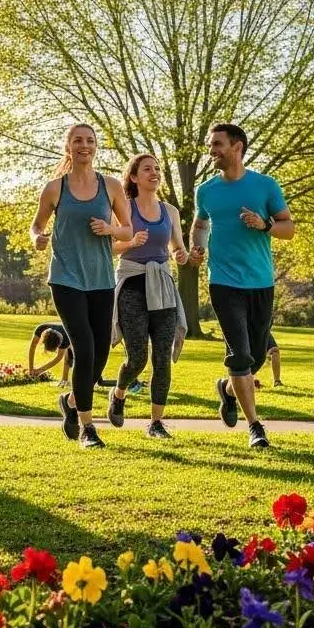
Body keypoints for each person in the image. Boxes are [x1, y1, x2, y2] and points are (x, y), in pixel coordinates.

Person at [188, 123, 295, 449]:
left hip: (260, 281)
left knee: (256, 356)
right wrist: (198, 246)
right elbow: (200, 224)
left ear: (237, 147)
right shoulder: (206, 190)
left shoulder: (265, 186)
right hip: (222, 281)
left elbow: (288, 228)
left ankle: (229, 389)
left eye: (217, 144)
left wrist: (264, 225)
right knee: (239, 354)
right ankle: (256, 427)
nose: (212, 151)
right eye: (210, 145)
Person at [31, 123, 132, 449]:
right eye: (78, 141)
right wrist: (38, 239)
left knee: (101, 352)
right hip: (66, 278)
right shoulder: (55, 188)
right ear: (68, 147)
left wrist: (109, 229)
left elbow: (128, 231)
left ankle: (72, 401)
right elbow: (37, 225)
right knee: (84, 348)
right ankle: (88, 428)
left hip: (101, 279)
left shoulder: (112, 186)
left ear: (95, 146)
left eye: (89, 141)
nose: (84, 146)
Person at [107, 153, 188, 439]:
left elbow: (178, 249)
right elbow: (107, 247)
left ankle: (156, 423)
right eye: (147, 169)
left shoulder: (171, 211)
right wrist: (130, 242)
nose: (154, 173)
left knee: (162, 358)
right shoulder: (123, 208)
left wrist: (183, 254)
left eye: (157, 169)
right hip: (132, 285)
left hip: (162, 285)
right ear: (133, 177)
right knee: (138, 358)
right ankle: (118, 394)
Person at [27, 322, 73, 387]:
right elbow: (32, 347)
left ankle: (65, 380)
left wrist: (40, 370)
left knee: (69, 355)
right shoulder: (41, 329)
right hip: (63, 330)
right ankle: (64, 380)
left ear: (59, 344)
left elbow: (58, 357)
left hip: (76, 333)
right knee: (68, 354)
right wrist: (31, 368)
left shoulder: (66, 339)